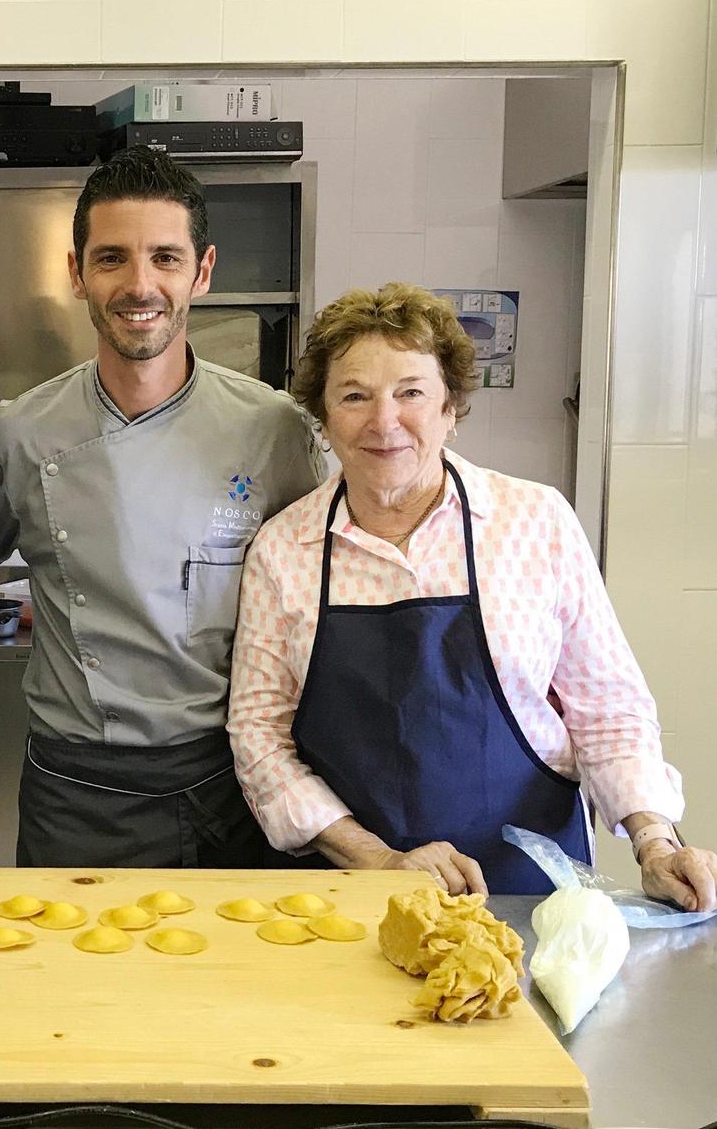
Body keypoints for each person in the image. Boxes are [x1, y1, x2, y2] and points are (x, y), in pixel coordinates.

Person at [228, 282, 717, 907]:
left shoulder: (534, 522)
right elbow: (258, 734)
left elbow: (609, 708)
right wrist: (375, 860)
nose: (384, 421)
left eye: (411, 393)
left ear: (450, 409)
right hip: (344, 891)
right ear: (324, 420)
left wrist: (655, 842)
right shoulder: (283, 549)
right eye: (354, 396)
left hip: (526, 887)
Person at [0, 147, 325, 868]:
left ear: (202, 271)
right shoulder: (21, 432)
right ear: (76, 273)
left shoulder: (273, 429)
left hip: (232, 778)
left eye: (165, 258)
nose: (140, 285)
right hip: (77, 788)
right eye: (112, 258)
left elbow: (317, 601)